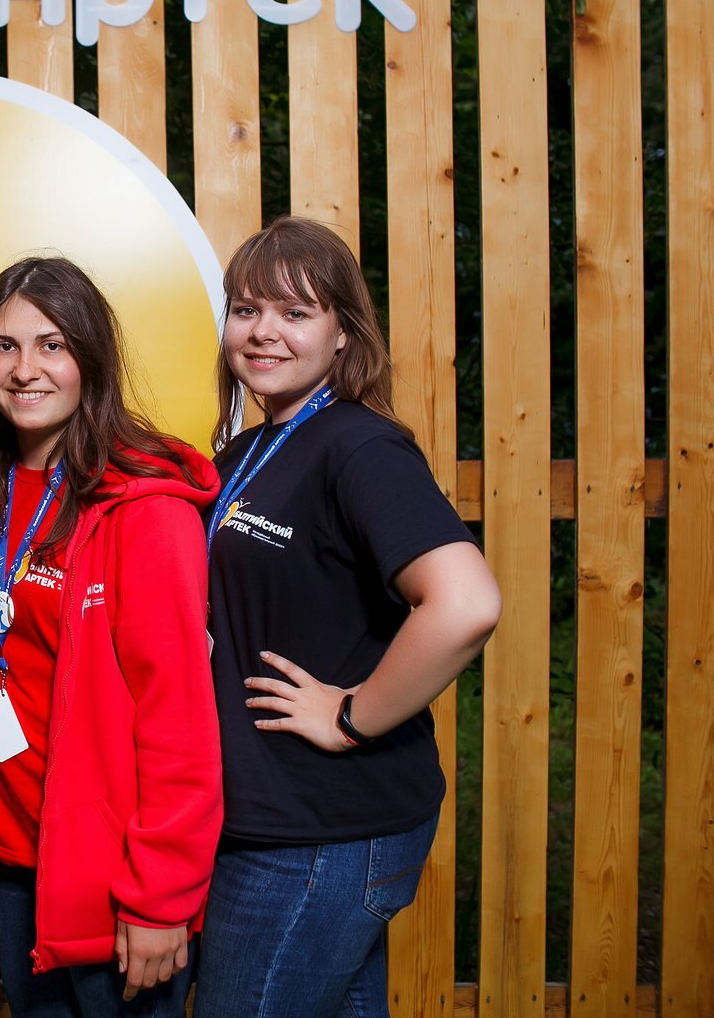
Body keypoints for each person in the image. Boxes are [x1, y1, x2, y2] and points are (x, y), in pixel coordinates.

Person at [193, 216, 502, 1018]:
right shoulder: (250, 452)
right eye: (247, 309)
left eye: (295, 313)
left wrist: (350, 717)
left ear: (342, 335)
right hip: (280, 820)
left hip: (322, 830)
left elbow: (465, 603)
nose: (263, 331)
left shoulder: (359, 446)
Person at [0, 256, 222, 1018]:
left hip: (114, 876)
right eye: (4, 346)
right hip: (13, 857)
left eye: (52, 345)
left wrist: (162, 895)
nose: (25, 370)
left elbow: (178, 714)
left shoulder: (141, 507)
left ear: (90, 358)